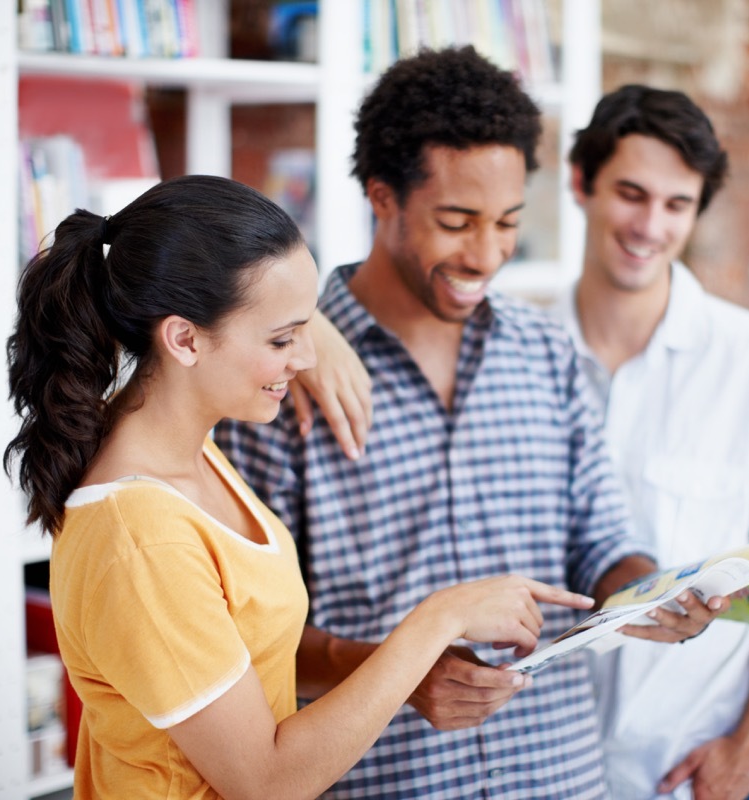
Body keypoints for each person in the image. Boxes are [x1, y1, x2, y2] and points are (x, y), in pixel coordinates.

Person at [215, 48, 711, 799]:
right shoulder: (285, 376)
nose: (487, 254)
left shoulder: (545, 353)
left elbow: (602, 541)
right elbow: (248, 643)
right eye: (457, 221)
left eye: (508, 222)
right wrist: (395, 671)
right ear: (382, 199)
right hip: (384, 781)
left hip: (559, 774)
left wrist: (646, 590)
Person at [2, 174, 595, 800]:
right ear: (183, 338)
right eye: (283, 339)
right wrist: (437, 619)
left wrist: (304, 332)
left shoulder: (187, 446)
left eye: (307, 328)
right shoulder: (140, 540)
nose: (308, 358)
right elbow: (267, 781)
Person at [556, 85, 749, 800]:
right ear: (580, 184)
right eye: (630, 193)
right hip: (540, 765)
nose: (650, 225)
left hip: (690, 771)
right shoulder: (523, 353)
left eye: (677, 204)